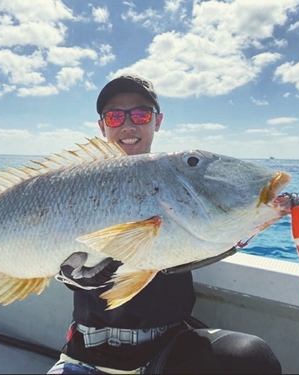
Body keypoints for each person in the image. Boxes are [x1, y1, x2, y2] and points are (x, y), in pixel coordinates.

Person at [48, 74, 282, 374]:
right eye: (115, 116)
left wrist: (251, 218)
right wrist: (67, 276)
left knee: (249, 358)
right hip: (86, 355)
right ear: (102, 126)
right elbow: (42, 247)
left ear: (157, 121)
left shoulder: (179, 177)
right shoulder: (74, 182)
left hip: (169, 350)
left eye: (141, 114)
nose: (128, 125)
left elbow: (201, 239)